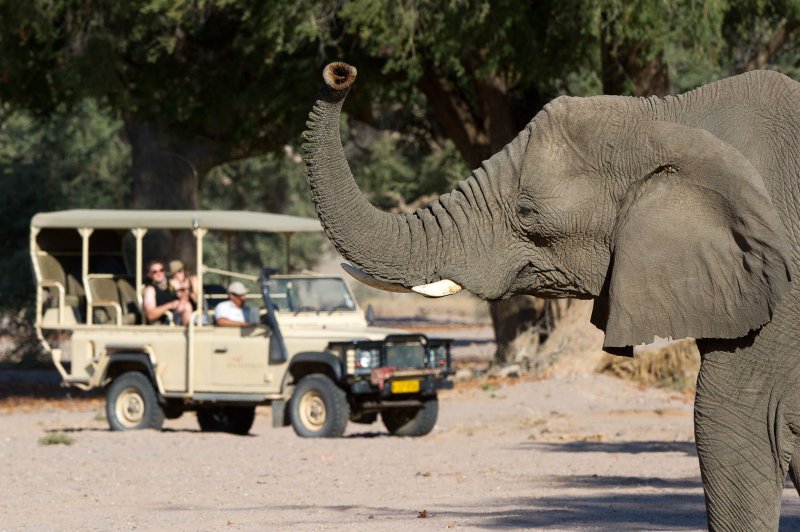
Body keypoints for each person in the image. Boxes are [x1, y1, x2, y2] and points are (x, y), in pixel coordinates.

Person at [143, 259, 192, 325]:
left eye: (161, 270)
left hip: (178, 315)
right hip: (166, 321)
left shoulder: (169, 285)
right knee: (187, 306)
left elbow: (181, 295)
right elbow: (150, 315)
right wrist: (170, 305)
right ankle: (190, 332)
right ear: (150, 274)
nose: (159, 273)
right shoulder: (150, 290)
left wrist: (183, 298)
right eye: (154, 272)